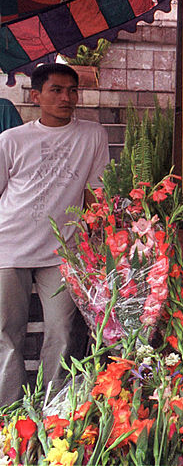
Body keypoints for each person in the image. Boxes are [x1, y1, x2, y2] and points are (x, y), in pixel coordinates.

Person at [0, 64, 108, 405]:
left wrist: (100, 241)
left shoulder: (93, 135)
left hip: (63, 251)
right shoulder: (11, 139)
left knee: (61, 332)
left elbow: (96, 193)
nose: (66, 97)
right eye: (56, 90)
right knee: (6, 334)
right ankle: (8, 412)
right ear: (36, 96)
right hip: (9, 245)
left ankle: (54, 411)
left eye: (72, 91)